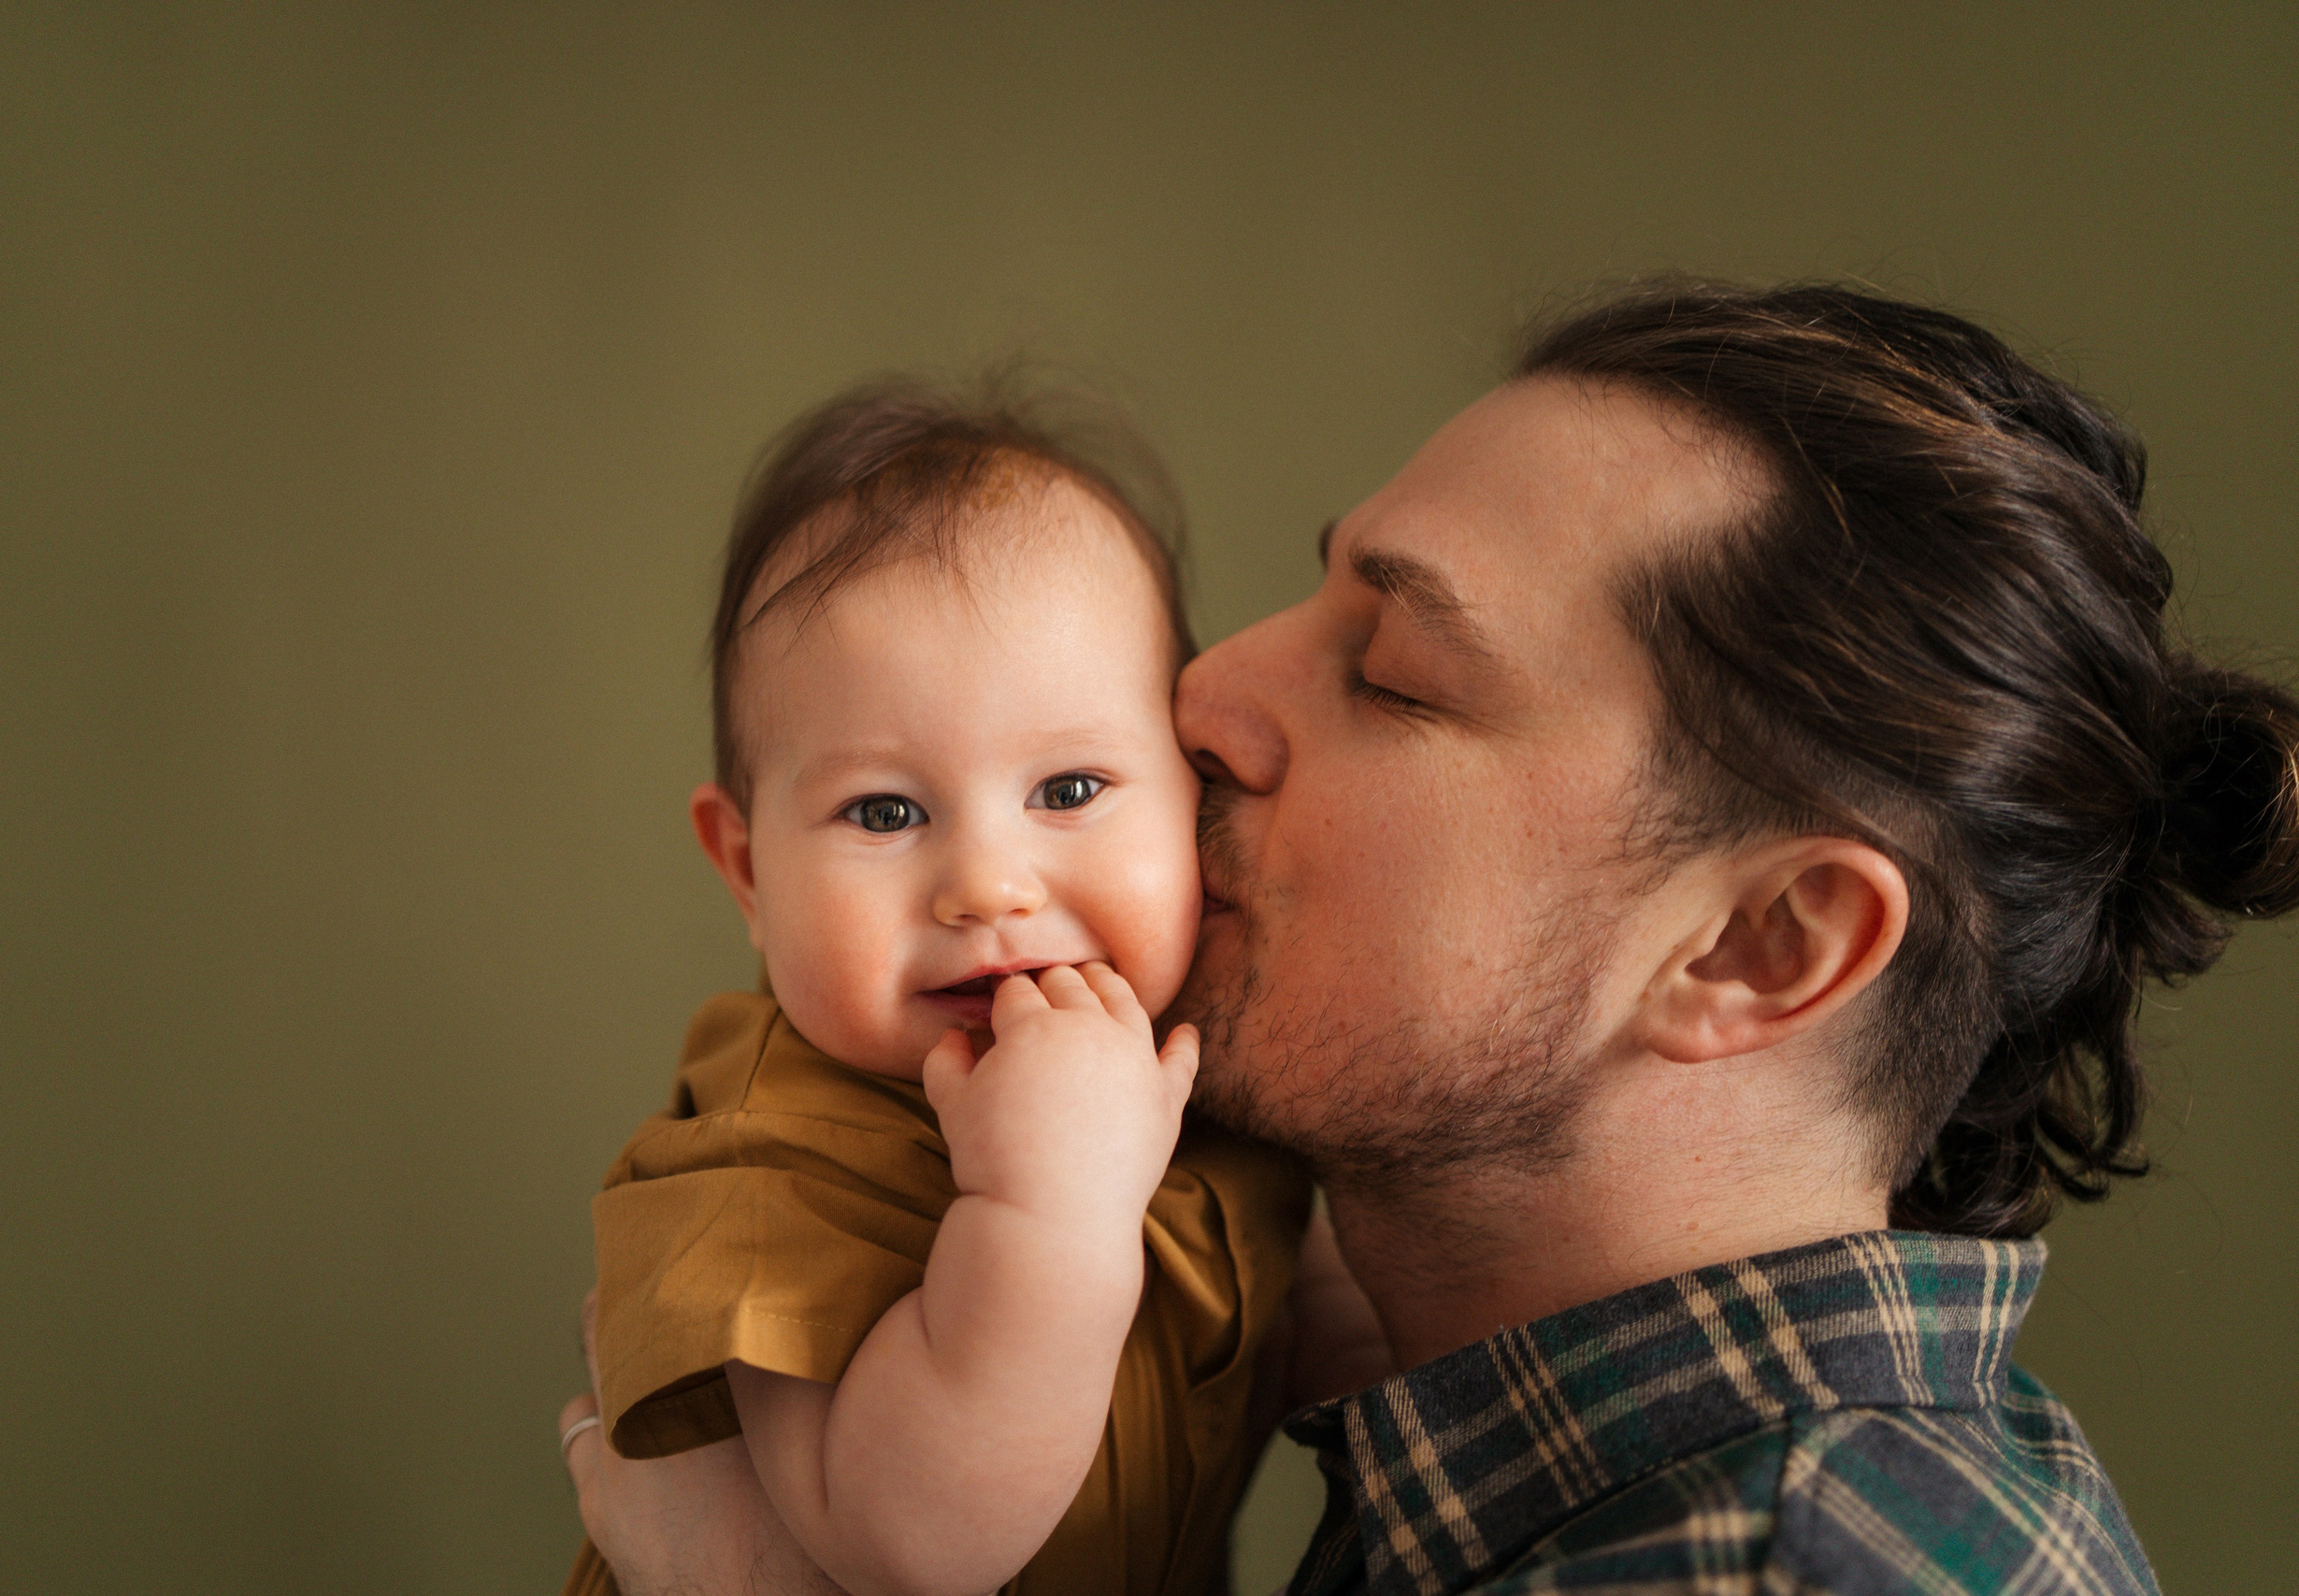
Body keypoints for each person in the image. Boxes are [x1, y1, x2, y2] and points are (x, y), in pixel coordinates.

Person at [562, 281, 2299, 1594]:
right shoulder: (1493, 1462)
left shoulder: (1754, 1569)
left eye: (1392, 673)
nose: (1202, 694)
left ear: (1760, 945)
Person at [557, 381, 1318, 1596]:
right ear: (747, 870)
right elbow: (911, 1545)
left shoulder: (1206, 1084)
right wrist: (1046, 1207)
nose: (987, 887)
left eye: (1069, 790)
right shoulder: (766, 1162)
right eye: (884, 812)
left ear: (1194, 797)